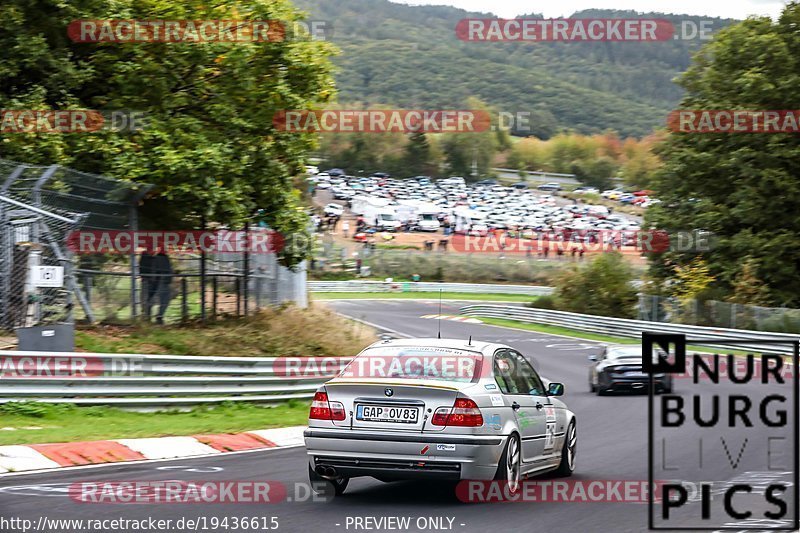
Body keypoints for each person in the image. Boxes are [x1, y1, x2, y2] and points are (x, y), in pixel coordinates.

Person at [151, 247, 174, 325]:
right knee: (163, 300)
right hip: (162, 281)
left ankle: (159, 316)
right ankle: (158, 316)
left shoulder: (162, 258)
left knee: (164, 300)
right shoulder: (159, 258)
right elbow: (156, 270)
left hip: (164, 281)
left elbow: (169, 269)